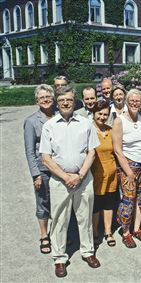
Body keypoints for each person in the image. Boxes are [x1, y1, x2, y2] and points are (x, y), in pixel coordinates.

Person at [40, 85, 101, 278]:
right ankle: (59, 258)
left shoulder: (85, 123)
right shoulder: (49, 125)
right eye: (62, 100)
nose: (66, 103)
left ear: (74, 102)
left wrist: (80, 175)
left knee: (85, 217)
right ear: (57, 103)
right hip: (60, 181)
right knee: (59, 220)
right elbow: (46, 158)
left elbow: (92, 151)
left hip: (83, 179)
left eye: (69, 100)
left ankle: (88, 251)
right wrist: (66, 177)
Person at [112, 89, 141, 248]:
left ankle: (137, 229)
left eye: (138, 101)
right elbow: (117, 150)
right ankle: (126, 232)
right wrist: (128, 172)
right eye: (132, 101)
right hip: (129, 166)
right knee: (128, 200)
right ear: (127, 102)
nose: (135, 103)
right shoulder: (119, 121)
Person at [24, 84, 55, 254]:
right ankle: (44, 235)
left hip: (58, 168)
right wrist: (35, 174)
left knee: (58, 203)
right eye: (42, 97)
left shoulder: (58, 116)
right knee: (43, 202)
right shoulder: (31, 121)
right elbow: (29, 151)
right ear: (37, 100)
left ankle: (57, 233)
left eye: (48, 96)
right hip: (42, 169)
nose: (45, 100)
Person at [90, 100, 119, 248]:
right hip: (95, 175)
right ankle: (95, 232)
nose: (102, 117)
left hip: (111, 175)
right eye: (99, 114)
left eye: (105, 114)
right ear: (94, 113)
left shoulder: (110, 130)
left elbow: (117, 151)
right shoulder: (89, 130)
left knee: (108, 204)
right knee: (96, 205)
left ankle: (108, 232)